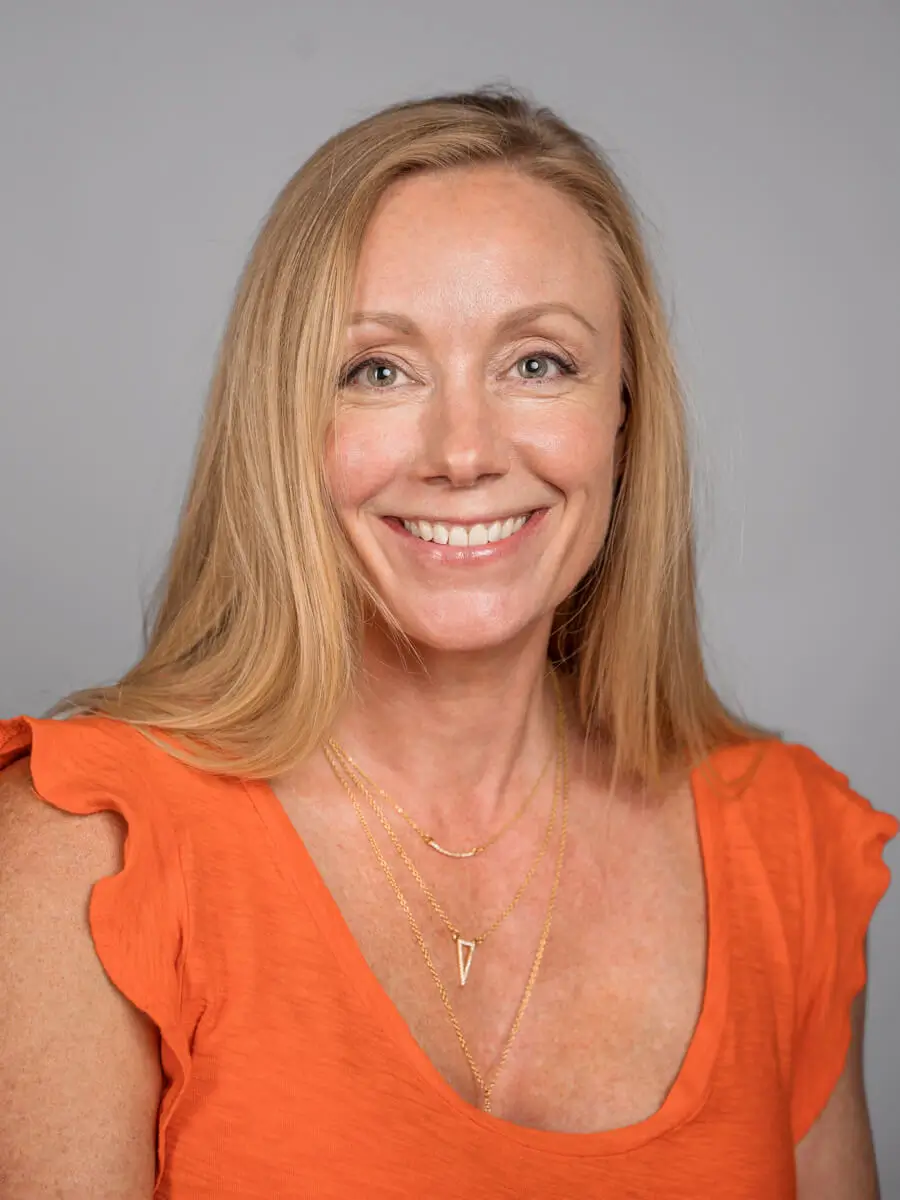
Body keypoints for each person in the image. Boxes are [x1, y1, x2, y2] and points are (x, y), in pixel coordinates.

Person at [0, 88, 895, 1200]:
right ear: (286, 422)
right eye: (378, 370)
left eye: (538, 364)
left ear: (625, 412)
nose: (463, 453)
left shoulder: (785, 851)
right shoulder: (84, 852)